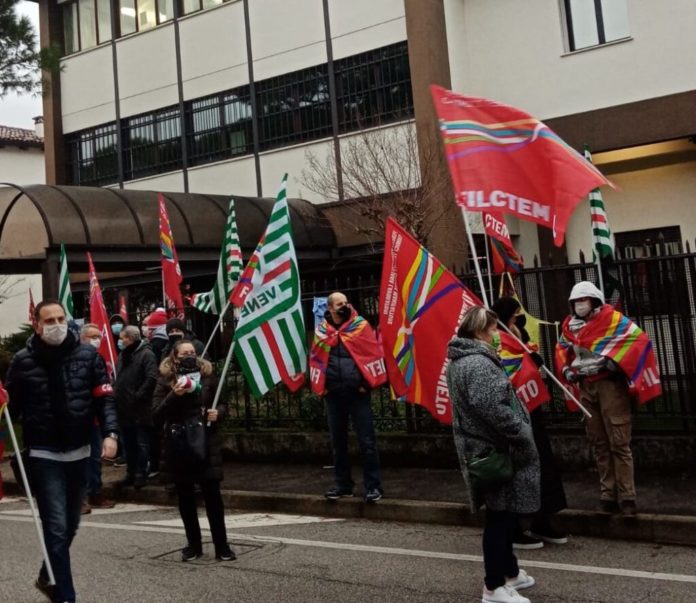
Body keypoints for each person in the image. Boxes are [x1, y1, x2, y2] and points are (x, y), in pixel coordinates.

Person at [5, 299, 119, 603]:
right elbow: (10, 409)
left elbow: (104, 399)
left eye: (60, 318)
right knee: (56, 527)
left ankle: (47, 574)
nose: (56, 325)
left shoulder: (88, 356)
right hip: (44, 455)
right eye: (50, 320)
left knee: (70, 524)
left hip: (81, 451)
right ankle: (65, 596)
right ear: (38, 325)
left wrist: (110, 433)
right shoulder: (22, 361)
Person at [447, 306, 540, 603]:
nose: (497, 335)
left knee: (505, 511)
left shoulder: (465, 360)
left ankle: (509, 572)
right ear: (479, 331)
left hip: (489, 448)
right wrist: (521, 430)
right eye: (494, 329)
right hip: (493, 450)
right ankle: (493, 586)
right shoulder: (477, 363)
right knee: (499, 517)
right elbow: (493, 408)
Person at [556, 281, 661, 516]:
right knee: (599, 443)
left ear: (595, 301)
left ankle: (627, 498)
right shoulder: (569, 327)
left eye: (583, 300)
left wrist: (612, 362)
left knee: (619, 442)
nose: (579, 305)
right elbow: (562, 349)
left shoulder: (614, 321)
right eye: (575, 302)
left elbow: (639, 340)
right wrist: (566, 370)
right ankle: (607, 495)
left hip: (610, 385)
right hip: (586, 386)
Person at [491, 297, 567, 550]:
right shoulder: (495, 340)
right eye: (513, 315)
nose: (518, 319)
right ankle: (514, 525)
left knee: (541, 463)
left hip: (532, 410)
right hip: (513, 415)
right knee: (517, 469)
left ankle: (541, 517)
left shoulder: (520, 335)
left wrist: (532, 359)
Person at [152, 339, 235, 562]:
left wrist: (218, 413)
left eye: (192, 352)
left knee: (213, 497)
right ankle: (194, 545)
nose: (189, 355)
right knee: (186, 497)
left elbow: (224, 403)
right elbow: (156, 413)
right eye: (184, 353)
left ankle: (222, 546)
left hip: (205, 440)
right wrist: (173, 395)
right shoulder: (166, 379)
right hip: (179, 442)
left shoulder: (208, 375)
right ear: (174, 356)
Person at [309, 292, 387, 503]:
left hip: (357, 393)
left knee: (367, 441)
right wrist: (321, 386)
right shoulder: (322, 330)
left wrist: (364, 384)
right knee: (338, 442)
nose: (345, 306)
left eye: (346, 302)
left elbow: (372, 353)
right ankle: (344, 485)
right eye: (340, 304)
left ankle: (373, 486)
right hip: (334, 394)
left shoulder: (360, 326)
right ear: (331, 308)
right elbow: (316, 358)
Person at [114, 325, 158, 489]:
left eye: (122, 337)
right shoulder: (123, 355)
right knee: (128, 443)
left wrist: (138, 396)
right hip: (124, 407)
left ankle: (141, 473)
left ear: (130, 339)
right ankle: (130, 473)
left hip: (139, 408)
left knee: (141, 443)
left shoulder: (146, 354)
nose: (120, 341)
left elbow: (151, 378)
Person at [79, 323, 116, 514]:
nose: (96, 339)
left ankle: (95, 492)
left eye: (98, 336)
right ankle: (80, 497)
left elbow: (104, 392)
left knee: (95, 458)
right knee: (80, 460)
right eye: (92, 336)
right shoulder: (73, 358)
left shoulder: (97, 358)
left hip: (94, 419)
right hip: (77, 419)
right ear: (82, 338)